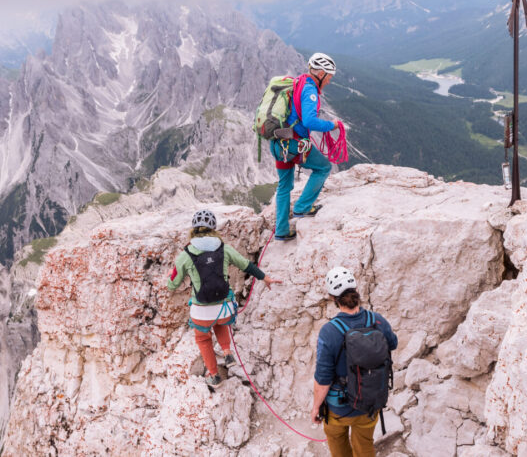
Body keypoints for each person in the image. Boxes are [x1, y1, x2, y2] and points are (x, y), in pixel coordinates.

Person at [166, 209, 281, 386]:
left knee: (203, 339)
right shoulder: (224, 249)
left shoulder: (186, 254)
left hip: (202, 312)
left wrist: (170, 275)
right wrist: (265, 278)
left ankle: (214, 375)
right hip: (225, 309)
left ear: (193, 231)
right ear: (213, 230)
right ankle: (227, 352)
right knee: (220, 322)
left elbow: (172, 285)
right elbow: (246, 265)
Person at [311, 267, 398, 457]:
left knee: (337, 442)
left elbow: (323, 379)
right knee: (364, 445)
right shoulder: (377, 320)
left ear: (333, 298)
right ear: (356, 291)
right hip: (370, 402)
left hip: (338, 408)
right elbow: (393, 343)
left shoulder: (329, 331)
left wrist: (316, 406)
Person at [270, 52, 338, 241]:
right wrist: (331, 125)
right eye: (329, 76)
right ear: (321, 74)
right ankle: (303, 208)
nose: (330, 81)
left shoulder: (298, 81)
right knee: (323, 167)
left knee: (284, 186)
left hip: (278, 143)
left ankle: (281, 231)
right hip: (295, 145)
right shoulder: (309, 89)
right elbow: (309, 121)